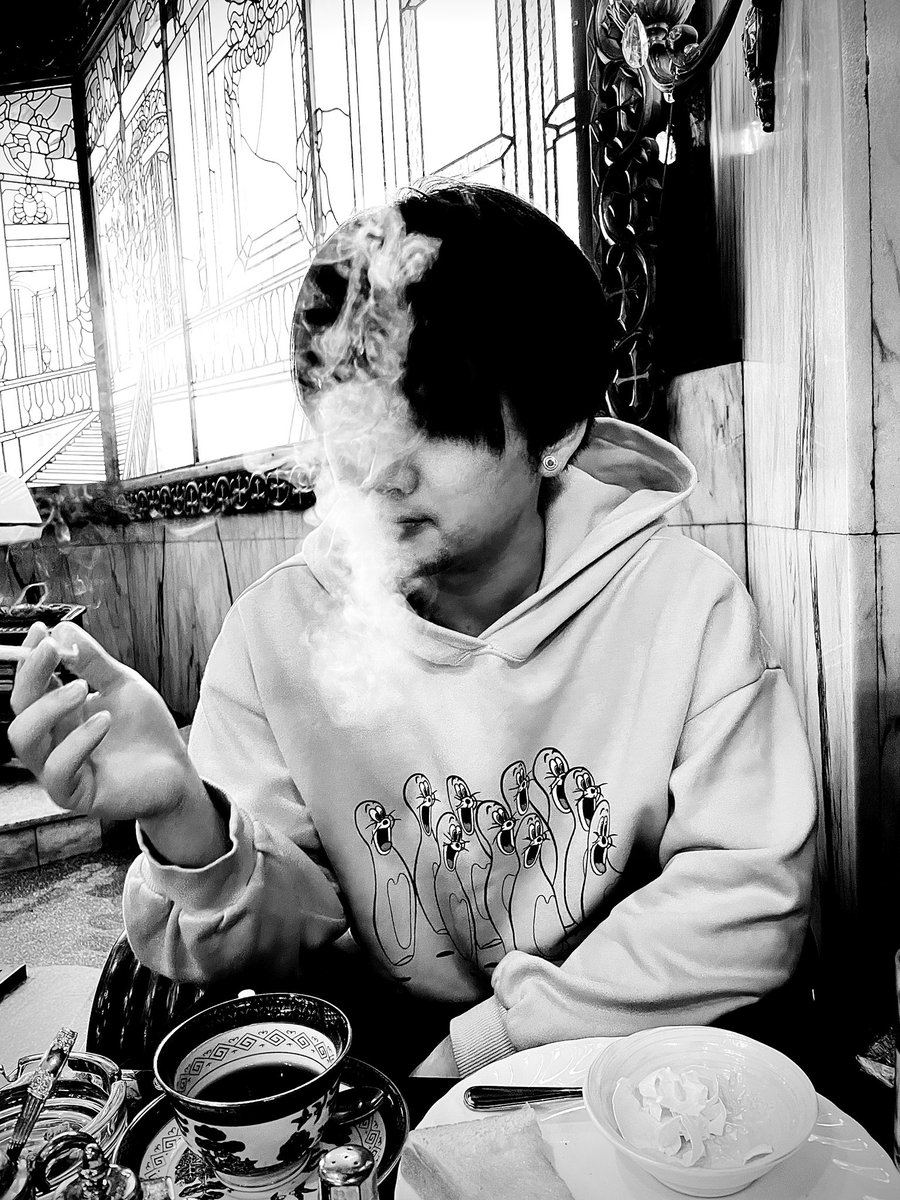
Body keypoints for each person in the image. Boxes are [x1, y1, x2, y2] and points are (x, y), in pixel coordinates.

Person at [8, 181, 817, 1080]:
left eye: (431, 421)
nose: (378, 469)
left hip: (613, 1063)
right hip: (379, 1059)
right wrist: (182, 816)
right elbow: (275, 942)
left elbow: (748, 899)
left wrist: (494, 1042)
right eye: (355, 415)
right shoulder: (278, 632)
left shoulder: (682, 604)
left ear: (554, 434)